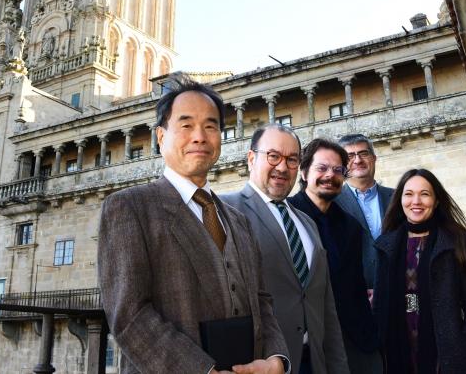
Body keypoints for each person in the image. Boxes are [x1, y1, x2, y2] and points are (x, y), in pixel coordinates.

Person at [98, 73, 289, 374]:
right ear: (161, 137)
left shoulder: (239, 221)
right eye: (186, 125)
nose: (199, 136)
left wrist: (277, 360)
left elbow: (262, 301)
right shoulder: (129, 207)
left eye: (210, 126)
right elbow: (130, 315)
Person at [222, 125, 349, 374]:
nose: (282, 167)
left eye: (292, 159)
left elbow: (326, 308)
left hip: (313, 363)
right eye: (273, 156)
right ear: (251, 159)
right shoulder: (225, 210)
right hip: (260, 364)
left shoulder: (307, 223)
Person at [372, 168, 466, 374]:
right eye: (409, 194)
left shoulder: (457, 243)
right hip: (396, 354)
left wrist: (464, 347)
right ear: (400, 200)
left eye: (424, 194)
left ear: (436, 201)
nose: (416, 201)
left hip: (448, 360)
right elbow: (384, 304)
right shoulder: (385, 246)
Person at [288, 138, 382, 374]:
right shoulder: (286, 217)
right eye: (321, 168)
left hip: (353, 342)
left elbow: (355, 285)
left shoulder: (350, 225)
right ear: (303, 172)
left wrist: (371, 337)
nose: (330, 175)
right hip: (303, 347)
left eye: (338, 170)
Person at [336, 134, 394, 293]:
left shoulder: (399, 198)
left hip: (400, 296)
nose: (357, 160)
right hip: (357, 300)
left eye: (363, 153)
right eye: (350, 156)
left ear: (374, 158)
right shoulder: (331, 204)